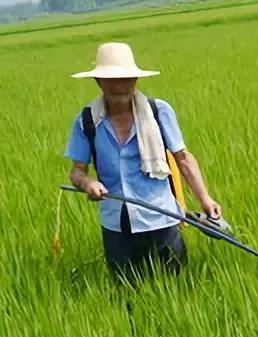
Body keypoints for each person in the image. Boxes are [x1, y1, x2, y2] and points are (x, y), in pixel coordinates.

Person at [64, 41, 229, 282]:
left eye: (126, 78)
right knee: (126, 289)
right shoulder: (87, 121)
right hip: (116, 224)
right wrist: (88, 184)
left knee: (176, 284)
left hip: (161, 217)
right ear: (99, 82)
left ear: (136, 79)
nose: (120, 86)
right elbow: (76, 172)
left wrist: (205, 198)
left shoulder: (158, 111)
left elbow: (182, 158)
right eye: (112, 80)